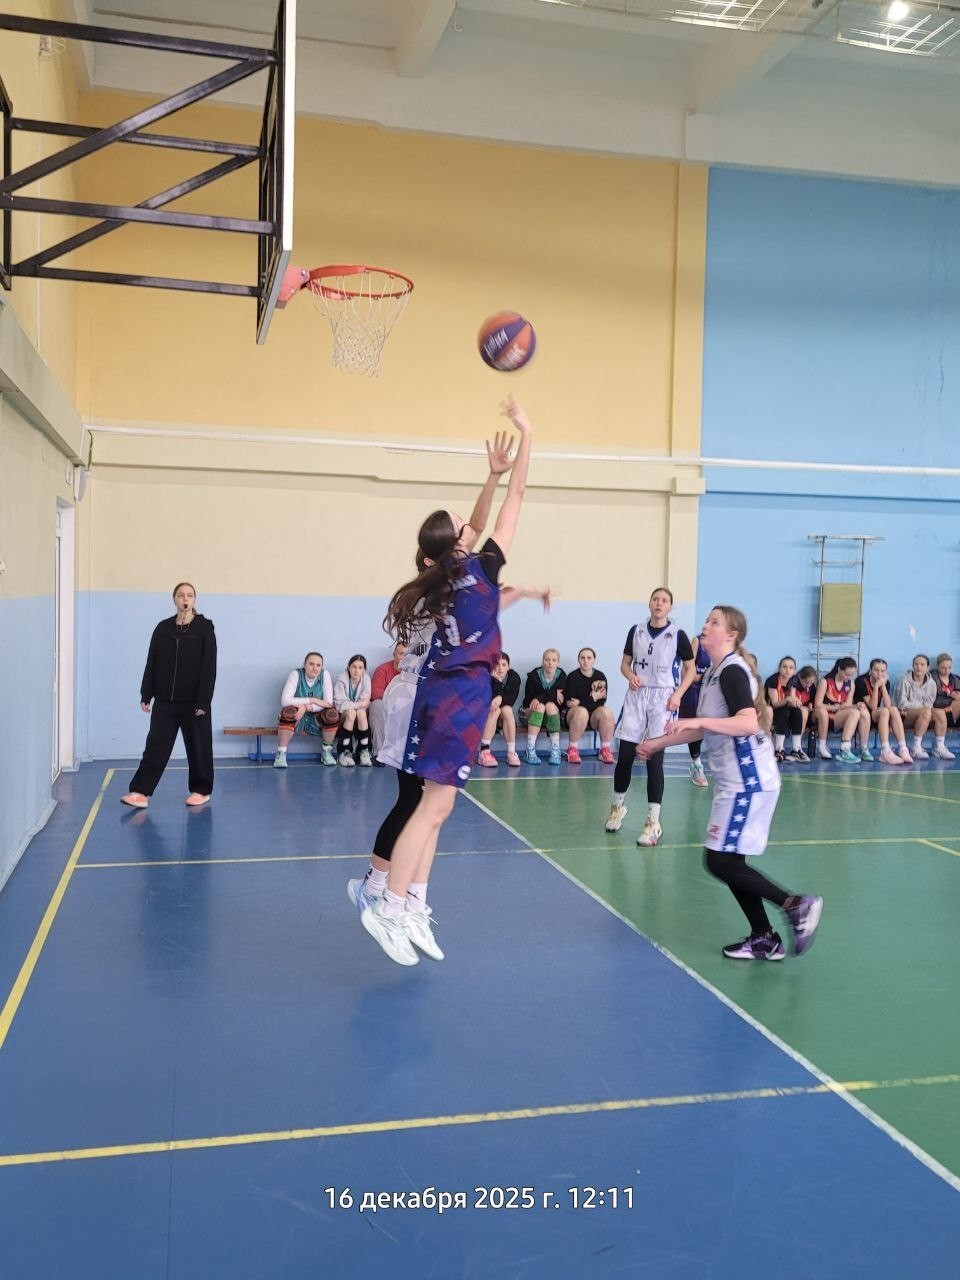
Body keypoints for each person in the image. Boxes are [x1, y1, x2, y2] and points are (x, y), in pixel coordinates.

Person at [357, 397, 536, 966]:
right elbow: (514, 502)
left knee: (438, 807)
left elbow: (482, 518)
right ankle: (388, 905)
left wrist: (492, 474)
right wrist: (527, 435)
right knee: (429, 808)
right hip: (457, 698)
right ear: (459, 541)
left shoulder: (442, 577)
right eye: (464, 524)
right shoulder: (481, 570)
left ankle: (412, 902)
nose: (471, 522)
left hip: (450, 693)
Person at [638, 605, 822, 961]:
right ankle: (764, 938)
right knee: (729, 862)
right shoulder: (713, 673)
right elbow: (704, 728)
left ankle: (795, 905)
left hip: (749, 779)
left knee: (721, 862)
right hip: (734, 780)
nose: (705, 626)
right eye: (707, 620)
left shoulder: (733, 671)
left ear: (731, 635)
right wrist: (658, 744)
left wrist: (698, 721)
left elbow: (747, 723)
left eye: (714, 622)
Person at [605, 587, 695, 847]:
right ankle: (617, 807)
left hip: (663, 699)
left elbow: (690, 669)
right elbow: (624, 663)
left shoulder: (678, 635)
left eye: (664, 600)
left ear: (670, 607)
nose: (659, 603)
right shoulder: (636, 631)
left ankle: (653, 821)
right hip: (637, 696)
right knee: (625, 755)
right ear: (649, 603)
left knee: (655, 759)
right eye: (656, 599)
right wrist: (629, 675)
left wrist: (678, 694)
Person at [121, 581, 217, 809]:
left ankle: (201, 790)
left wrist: (204, 700)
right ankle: (141, 792)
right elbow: (152, 662)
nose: (185, 599)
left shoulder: (204, 629)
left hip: (194, 703)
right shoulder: (163, 629)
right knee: (156, 746)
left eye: (190, 595)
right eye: (181, 595)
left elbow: (209, 667)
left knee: (199, 748)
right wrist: (146, 693)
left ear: (194, 600)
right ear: (174, 599)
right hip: (165, 702)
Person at [274, 651, 338, 768]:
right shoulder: (296, 674)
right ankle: (281, 753)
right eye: (311, 664)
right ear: (305, 664)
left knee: (332, 715)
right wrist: (311, 700)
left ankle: (326, 751)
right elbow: (285, 701)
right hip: (298, 717)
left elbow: (328, 703)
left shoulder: (325, 675)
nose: (315, 668)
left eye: (318, 665)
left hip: (316, 719)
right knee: (288, 712)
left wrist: (306, 707)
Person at [853, 658, 911, 765]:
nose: (879, 674)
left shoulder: (886, 682)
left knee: (893, 709)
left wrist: (883, 685)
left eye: (883, 671)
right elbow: (873, 706)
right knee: (884, 711)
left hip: (877, 716)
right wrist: (876, 686)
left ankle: (903, 748)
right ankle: (885, 751)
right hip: (864, 715)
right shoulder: (861, 681)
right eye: (876, 670)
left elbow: (888, 705)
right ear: (870, 670)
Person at [563, 647, 615, 764]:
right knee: (581, 711)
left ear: (594, 660)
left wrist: (581, 702)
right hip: (574, 715)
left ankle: (605, 750)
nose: (585, 661)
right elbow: (570, 702)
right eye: (582, 658)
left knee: (606, 712)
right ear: (578, 660)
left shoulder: (600, 676)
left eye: (589, 658)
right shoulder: (572, 677)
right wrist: (592, 698)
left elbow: (600, 702)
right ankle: (572, 750)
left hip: (593, 716)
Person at [895, 654, 951, 760]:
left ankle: (939, 748)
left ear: (927, 668)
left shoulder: (931, 683)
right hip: (903, 716)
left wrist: (924, 709)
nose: (919, 667)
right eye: (916, 664)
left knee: (940, 713)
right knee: (926, 711)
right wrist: (922, 708)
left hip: (924, 715)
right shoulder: (904, 681)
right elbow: (902, 704)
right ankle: (915, 748)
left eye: (922, 664)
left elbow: (930, 704)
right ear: (913, 666)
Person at [812, 657, 867, 763]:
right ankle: (822, 746)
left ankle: (845, 749)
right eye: (846, 674)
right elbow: (817, 705)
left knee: (855, 712)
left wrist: (857, 705)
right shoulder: (825, 682)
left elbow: (847, 705)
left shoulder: (850, 684)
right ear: (839, 669)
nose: (849, 677)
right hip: (820, 716)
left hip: (836, 716)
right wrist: (835, 707)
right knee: (822, 711)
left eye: (851, 675)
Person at [522, 648, 567, 765]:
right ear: (542, 661)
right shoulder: (533, 676)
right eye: (547, 660)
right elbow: (531, 700)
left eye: (553, 660)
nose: (550, 663)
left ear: (558, 662)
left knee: (550, 706)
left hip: (551, 715)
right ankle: (530, 749)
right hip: (530, 712)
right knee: (540, 706)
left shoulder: (562, 676)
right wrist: (552, 694)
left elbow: (560, 701)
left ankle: (555, 749)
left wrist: (541, 697)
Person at [478, 652, 522, 767]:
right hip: (487, 715)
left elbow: (511, 700)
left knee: (507, 709)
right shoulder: (486, 677)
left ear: (508, 667)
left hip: (503, 717)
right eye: (497, 664)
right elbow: (486, 702)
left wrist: (499, 698)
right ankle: (484, 752)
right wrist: (497, 682)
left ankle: (511, 752)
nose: (500, 668)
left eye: (503, 664)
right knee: (495, 709)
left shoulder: (514, 678)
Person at [679, 634, 711, 784]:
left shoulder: (724, 647)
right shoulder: (697, 641)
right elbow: (685, 672)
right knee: (695, 728)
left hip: (711, 690)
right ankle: (696, 763)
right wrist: (703, 677)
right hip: (694, 690)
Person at [369, 643, 408, 764]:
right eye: (401, 654)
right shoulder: (383, 669)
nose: (404, 657)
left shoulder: (414, 673)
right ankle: (379, 754)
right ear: (394, 655)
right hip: (386, 706)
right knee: (376, 705)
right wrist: (395, 702)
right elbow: (376, 693)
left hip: (406, 708)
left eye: (407, 655)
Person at [764, 656, 807, 763]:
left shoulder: (794, 680)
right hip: (771, 709)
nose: (788, 670)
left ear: (795, 670)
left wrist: (796, 702)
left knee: (797, 712)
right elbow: (775, 704)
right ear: (779, 668)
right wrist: (788, 699)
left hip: (785, 708)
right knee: (783, 711)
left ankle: (796, 749)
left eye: (791, 668)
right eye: (784, 667)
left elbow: (791, 699)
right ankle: (779, 749)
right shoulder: (773, 680)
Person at [333, 655, 373, 766]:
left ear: (364, 669)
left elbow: (365, 703)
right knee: (351, 713)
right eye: (354, 667)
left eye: (360, 667)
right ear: (349, 667)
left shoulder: (366, 679)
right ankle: (344, 751)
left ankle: (363, 750)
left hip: (360, 717)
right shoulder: (341, 679)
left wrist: (360, 705)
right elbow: (340, 704)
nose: (356, 670)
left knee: (361, 713)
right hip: (343, 716)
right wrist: (359, 704)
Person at [932, 653, 960, 752]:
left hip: (955, 712)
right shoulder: (931, 679)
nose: (947, 670)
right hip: (940, 711)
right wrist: (952, 702)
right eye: (943, 668)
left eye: (949, 667)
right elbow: (931, 700)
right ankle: (939, 748)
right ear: (937, 666)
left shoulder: (956, 679)